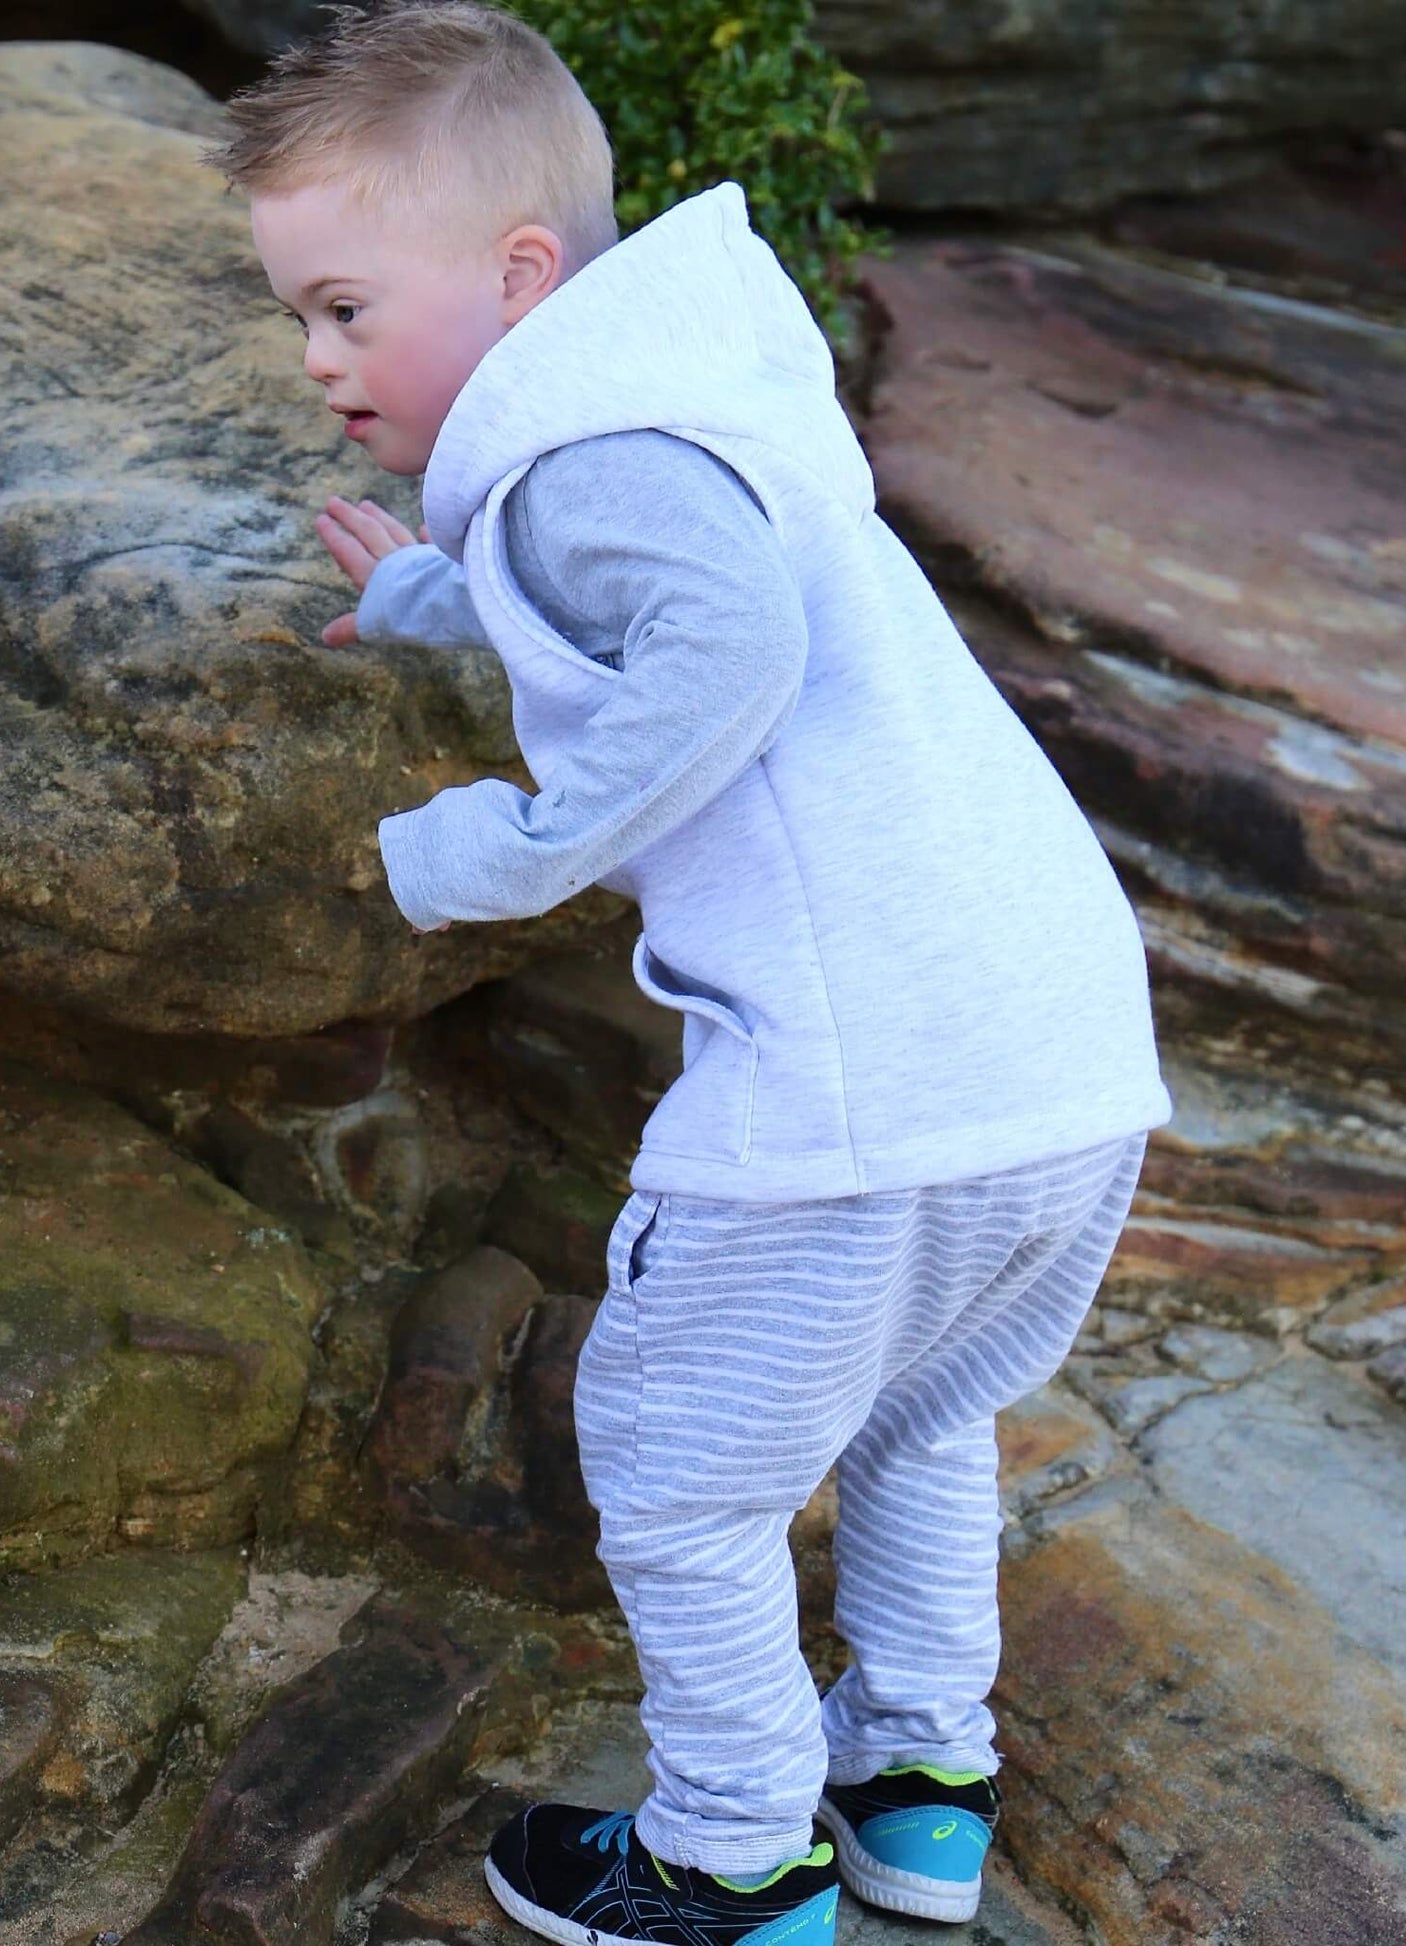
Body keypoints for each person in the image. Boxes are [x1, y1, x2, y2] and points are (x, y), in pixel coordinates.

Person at [209, 6, 1170, 1941]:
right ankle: (913, 1786)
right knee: (908, 1413)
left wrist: (483, 849)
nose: (313, 362)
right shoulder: (686, 411)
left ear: (518, 278)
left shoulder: (587, 466)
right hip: (1055, 1056)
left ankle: (734, 1858)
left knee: (670, 1474)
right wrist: (428, 587)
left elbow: (709, 653)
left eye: (337, 308)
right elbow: (651, 592)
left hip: (851, 1089)